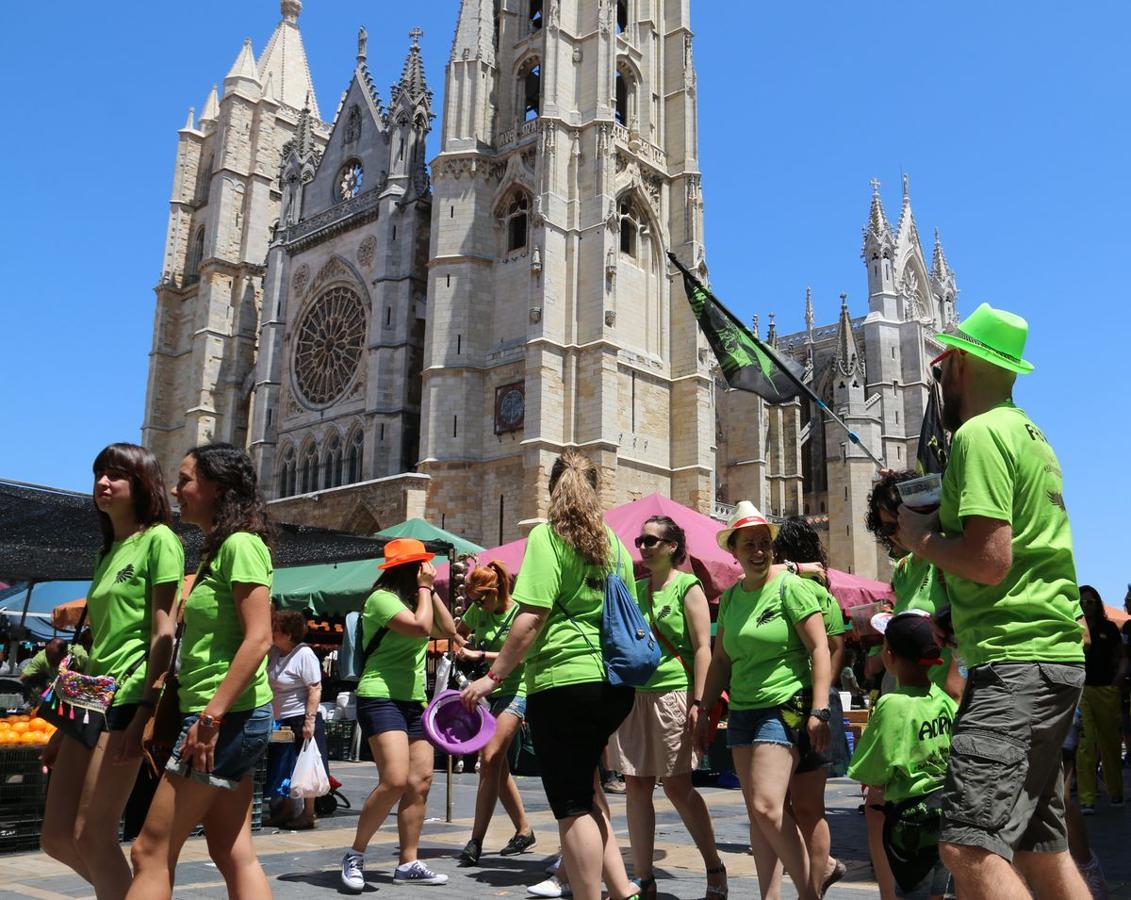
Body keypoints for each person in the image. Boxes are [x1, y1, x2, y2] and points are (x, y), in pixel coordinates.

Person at [895, 303, 1088, 899]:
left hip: (1016, 663)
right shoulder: (1030, 434)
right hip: (1048, 657)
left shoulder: (978, 436)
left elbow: (989, 558)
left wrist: (918, 537)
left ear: (957, 363)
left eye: (938, 366)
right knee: (1039, 846)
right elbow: (1021, 557)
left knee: (967, 844)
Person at [460, 449, 641, 900]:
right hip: (614, 687)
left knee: (572, 804)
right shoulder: (614, 544)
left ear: (550, 489)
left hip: (564, 684)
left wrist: (492, 678)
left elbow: (530, 619)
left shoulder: (548, 537)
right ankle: (622, 891)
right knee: (588, 788)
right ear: (596, 491)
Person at [127, 443, 275, 900]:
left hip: (221, 720)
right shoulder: (221, 548)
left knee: (149, 851)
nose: (175, 490)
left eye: (186, 480)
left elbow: (259, 638)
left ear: (218, 489)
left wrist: (209, 718)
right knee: (232, 849)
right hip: (226, 717)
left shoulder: (241, 545)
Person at [39, 443, 182, 899]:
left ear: (142, 484)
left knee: (92, 834)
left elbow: (165, 632)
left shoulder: (160, 539)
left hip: (127, 700)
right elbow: (98, 645)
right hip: (89, 702)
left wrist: (148, 709)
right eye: (99, 472)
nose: (103, 481)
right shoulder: (108, 552)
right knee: (56, 838)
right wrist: (64, 728)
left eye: (116, 474)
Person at [696, 501, 832, 900]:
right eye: (749, 544)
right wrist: (703, 709)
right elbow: (721, 659)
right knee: (758, 814)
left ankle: (809, 892)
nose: (758, 551)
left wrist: (819, 709)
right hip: (742, 708)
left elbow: (821, 648)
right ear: (733, 551)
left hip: (784, 702)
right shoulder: (733, 597)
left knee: (769, 806)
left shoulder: (792, 587)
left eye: (763, 543)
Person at [607, 515, 726, 899]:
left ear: (672, 546)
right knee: (635, 785)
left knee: (677, 787)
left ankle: (713, 865)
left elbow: (703, 647)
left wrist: (700, 701)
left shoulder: (687, 587)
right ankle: (644, 877)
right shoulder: (635, 589)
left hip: (673, 693)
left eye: (651, 541)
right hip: (633, 696)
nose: (642, 547)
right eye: (640, 540)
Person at [339, 537, 461, 891]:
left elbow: (449, 630)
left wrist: (432, 590)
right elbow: (421, 628)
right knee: (394, 779)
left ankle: (408, 862)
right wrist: (424, 588)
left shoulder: (417, 598)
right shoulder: (381, 600)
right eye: (421, 566)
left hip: (412, 701)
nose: (427, 570)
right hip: (379, 696)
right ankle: (355, 854)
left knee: (419, 782)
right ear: (408, 570)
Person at [847, 611, 958, 900]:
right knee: (936, 890)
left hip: (911, 824)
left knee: (911, 891)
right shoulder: (944, 699)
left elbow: (871, 772)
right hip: (945, 815)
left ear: (890, 656)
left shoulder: (892, 704)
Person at [772, 517, 848, 897]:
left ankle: (813, 888)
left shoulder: (809, 591)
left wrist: (819, 698)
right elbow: (836, 649)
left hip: (800, 703)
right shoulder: (816, 591)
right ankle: (820, 874)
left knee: (798, 807)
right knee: (787, 806)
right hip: (801, 702)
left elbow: (833, 647)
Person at [454, 560, 536, 865]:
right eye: (473, 600)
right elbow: (458, 633)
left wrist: (482, 653)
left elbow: (521, 655)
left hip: (517, 688)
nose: (478, 606)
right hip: (487, 691)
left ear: (498, 590)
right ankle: (524, 830)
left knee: (488, 759)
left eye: (482, 599)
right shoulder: (479, 609)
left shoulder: (519, 613)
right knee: (497, 767)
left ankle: (475, 841)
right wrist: (462, 646)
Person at [865, 471, 963, 702]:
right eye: (886, 529)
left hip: (946, 704)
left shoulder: (944, 555)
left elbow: (968, 625)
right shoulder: (903, 569)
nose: (895, 535)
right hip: (915, 705)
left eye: (897, 524)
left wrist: (954, 691)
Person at [265, 608, 328, 830]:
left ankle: (308, 814)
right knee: (286, 765)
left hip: (300, 718)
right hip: (281, 720)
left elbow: (315, 687)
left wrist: (309, 722)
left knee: (305, 764)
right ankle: (287, 809)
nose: (272, 632)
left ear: (289, 634)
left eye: (276, 629)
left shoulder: (304, 654)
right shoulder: (274, 653)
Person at [1076, 586, 1125, 813]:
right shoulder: (1073, 629)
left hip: (1107, 689)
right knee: (1085, 744)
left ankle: (1115, 791)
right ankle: (1087, 797)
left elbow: (1122, 657)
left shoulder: (1109, 628)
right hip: (1082, 690)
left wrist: (1117, 678)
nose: (1087, 606)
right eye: (1083, 602)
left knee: (1110, 744)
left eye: (1091, 602)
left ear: (1098, 604)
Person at [21, 637, 88, 697]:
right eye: (47, 655)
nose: (49, 660)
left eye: (53, 658)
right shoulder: (42, 656)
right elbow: (24, 676)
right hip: (59, 691)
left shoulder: (79, 656)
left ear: (65, 654)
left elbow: (91, 677)